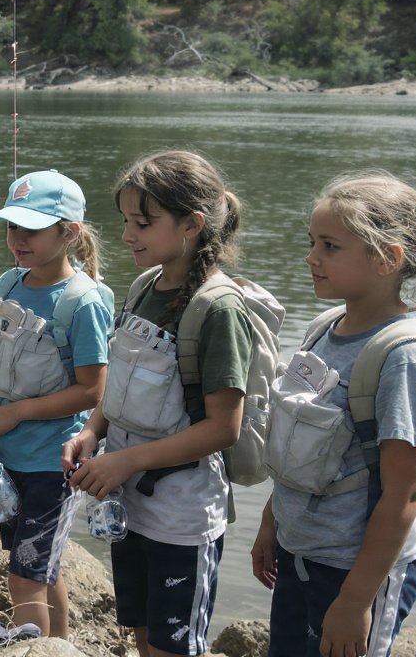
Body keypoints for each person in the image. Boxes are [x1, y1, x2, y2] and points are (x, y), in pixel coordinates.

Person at [251, 174, 416, 657]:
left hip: (354, 572)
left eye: (330, 246)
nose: (311, 257)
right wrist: (270, 524)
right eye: (312, 242)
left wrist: (356, 599)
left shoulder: (405, 359)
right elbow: (300, 448)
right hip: (301, 555)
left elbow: (405, 493)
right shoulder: (325, 329)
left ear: (388, 258)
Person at [62, 150, 253, 657]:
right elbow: (120, 380)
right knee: (142, 633)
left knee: (175, 645)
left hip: (180, 515)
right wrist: (92, 432)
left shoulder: (218, 309)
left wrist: (127, 460)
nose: (127, 235)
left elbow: (223, 429)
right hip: (128, 500)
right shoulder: (146, 284)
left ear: (191, 224)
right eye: (126, 220)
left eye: (143, 223)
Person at [0, 170, 113, 644]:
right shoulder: (8, 283)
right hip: (6, 458)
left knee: (23, 577)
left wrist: (17, 413)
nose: (17, 239)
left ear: (69, 233)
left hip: (52, 463)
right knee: (40, 568)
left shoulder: (82, 302)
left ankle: (31, 648)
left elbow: (93, 391)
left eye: (31, 230)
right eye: (12, 227)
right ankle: (60, 646)